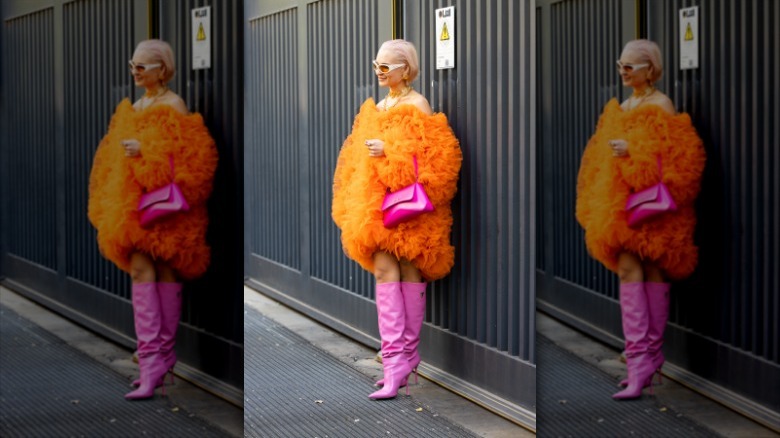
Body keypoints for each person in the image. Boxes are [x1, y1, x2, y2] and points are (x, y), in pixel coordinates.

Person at [88, 39, 218, 400]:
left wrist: (145, 150)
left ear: (163, 69)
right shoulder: (136, 106)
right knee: (141, 270)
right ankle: (151, 361)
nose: (136, 72)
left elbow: (190, 156)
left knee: (164, 272)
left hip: (164, 205)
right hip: (133, 207)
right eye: (133, 66)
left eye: (143, 66)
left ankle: (161, 358)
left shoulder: (173, 104)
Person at [331, 39, 462, 400]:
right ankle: (394, 361)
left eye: (386, 67)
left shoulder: (417, 104)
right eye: (377, 65)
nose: (379, 72)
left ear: (406, 69)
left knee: (409, 272)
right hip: (377, 205)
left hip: (408, 204)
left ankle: (406, 357)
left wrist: (389, 150)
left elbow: (435, 158)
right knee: (385, 270)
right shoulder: (378, 106)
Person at [575, 39, 706, 400]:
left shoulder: (661, 105)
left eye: (631, 66)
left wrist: (633, 150)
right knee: (630, 270)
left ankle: (649, 357)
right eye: (621, 65)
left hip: (652, 205)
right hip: (621, 207)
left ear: (651, 69)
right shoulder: (623, 106)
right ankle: (639, 360)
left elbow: (678, 156)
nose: (623, 72)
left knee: (653, 272)